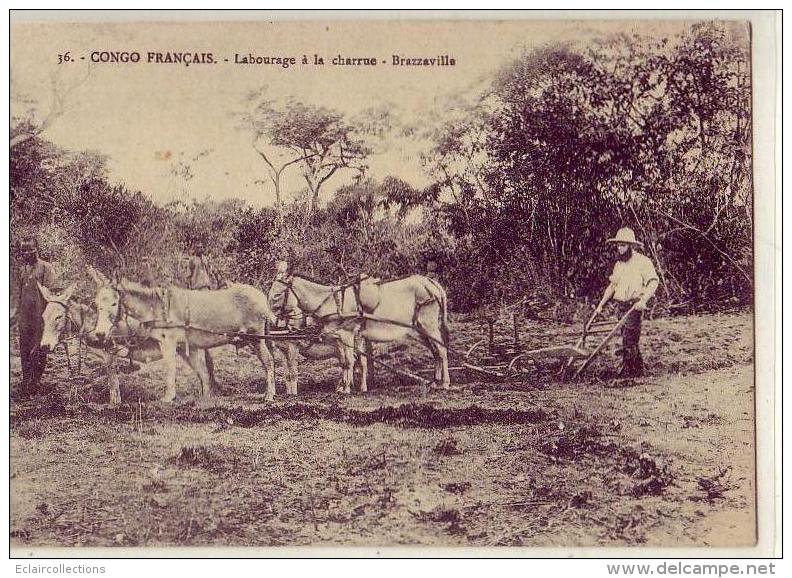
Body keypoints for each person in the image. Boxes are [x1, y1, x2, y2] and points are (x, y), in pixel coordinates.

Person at [593, 227, 659, 378]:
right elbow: (613, 286)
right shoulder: (619, 264)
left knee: (629, 338)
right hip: (620, 306)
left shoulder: (643, 262)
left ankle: (627, 374)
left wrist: (643, 300)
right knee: (628, 338)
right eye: (618, 245)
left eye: (623, 245)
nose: (620, 248)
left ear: (631, 245)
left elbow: (654, 282)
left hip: (634, 306)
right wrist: (600, 305)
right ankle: (638, 370)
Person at [11, 238, 58, 396]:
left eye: (29, 249)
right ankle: (26, 382)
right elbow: (17, 294)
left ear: (37, 249)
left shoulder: (46, 267)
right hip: (24, 318)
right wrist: (14, 312)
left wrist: (48, 316)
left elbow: (50, 294)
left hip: (40, 317)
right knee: (24, 349)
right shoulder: (22, 269)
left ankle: (36, 381)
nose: (26, 253)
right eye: (23, 250)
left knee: (38, 349)